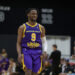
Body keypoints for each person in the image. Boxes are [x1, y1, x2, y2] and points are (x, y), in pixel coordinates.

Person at [17, 8, 47, 75]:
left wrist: (44, 51)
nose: (35, 15)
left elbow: (44, 41)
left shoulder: (41, 27)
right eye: (33, 14)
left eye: (36, 14)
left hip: (38, 52)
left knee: (35, 73)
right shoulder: (22, 27)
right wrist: (19, 54)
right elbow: (18, 43)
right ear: (28, 14)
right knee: (28, 71)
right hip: (27, 51)